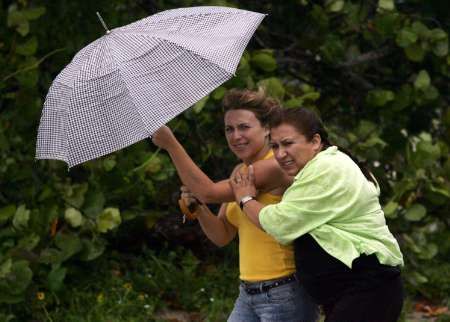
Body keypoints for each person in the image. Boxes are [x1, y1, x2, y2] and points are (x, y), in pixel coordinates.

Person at [152, 89, 318, 322]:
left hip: (284, 292)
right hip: (248, 293)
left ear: (267, 129)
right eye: (229, 129)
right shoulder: (239, 173)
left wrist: (172, 145)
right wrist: (199, 208)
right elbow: (223, 235)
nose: (235, 135)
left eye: (244, 127)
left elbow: (208, 192)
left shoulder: (274, 166)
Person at [230, 107, 404, 322]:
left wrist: (245, 199)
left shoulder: (326, 168)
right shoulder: (325, 165)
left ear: (315, 141)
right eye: (274, 146)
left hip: (367, 290)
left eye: (288, 143)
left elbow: (279, 223)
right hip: (353, 294)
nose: (280, 154)